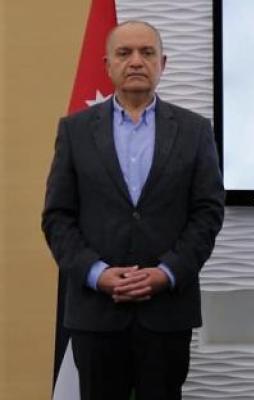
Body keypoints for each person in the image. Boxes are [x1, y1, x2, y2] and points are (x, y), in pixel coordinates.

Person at [42, 21, 225, 400]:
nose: (136, 61)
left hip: (166, 311)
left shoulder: (195, 130)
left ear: (163, 63)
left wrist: (166, 273)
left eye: (147, 53)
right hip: (96, 311)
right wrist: (97, 274)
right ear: (107, 65)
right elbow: (58, 217)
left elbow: (207, 213)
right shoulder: (75, 130)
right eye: (125, 53)